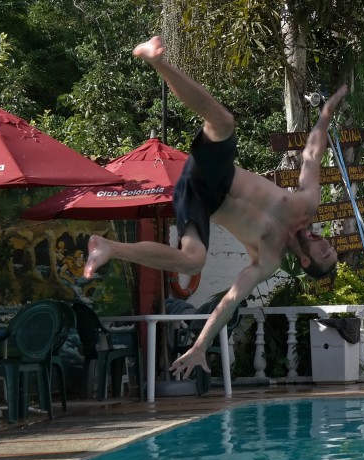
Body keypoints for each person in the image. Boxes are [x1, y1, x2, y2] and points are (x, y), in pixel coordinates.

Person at [84, 35, 346, 380]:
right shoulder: (306, 203)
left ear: (306, 261)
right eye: (332, 247)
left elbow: (230, 301)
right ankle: (156, 59)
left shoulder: (267, 258)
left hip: (199, 199)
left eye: (324, 253)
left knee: (193, 259)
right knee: (223, 122)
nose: (328, 244)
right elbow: (312, 155)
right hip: (216, 172)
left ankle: (109, 248)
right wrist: (325, 116)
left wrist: (200, 346)